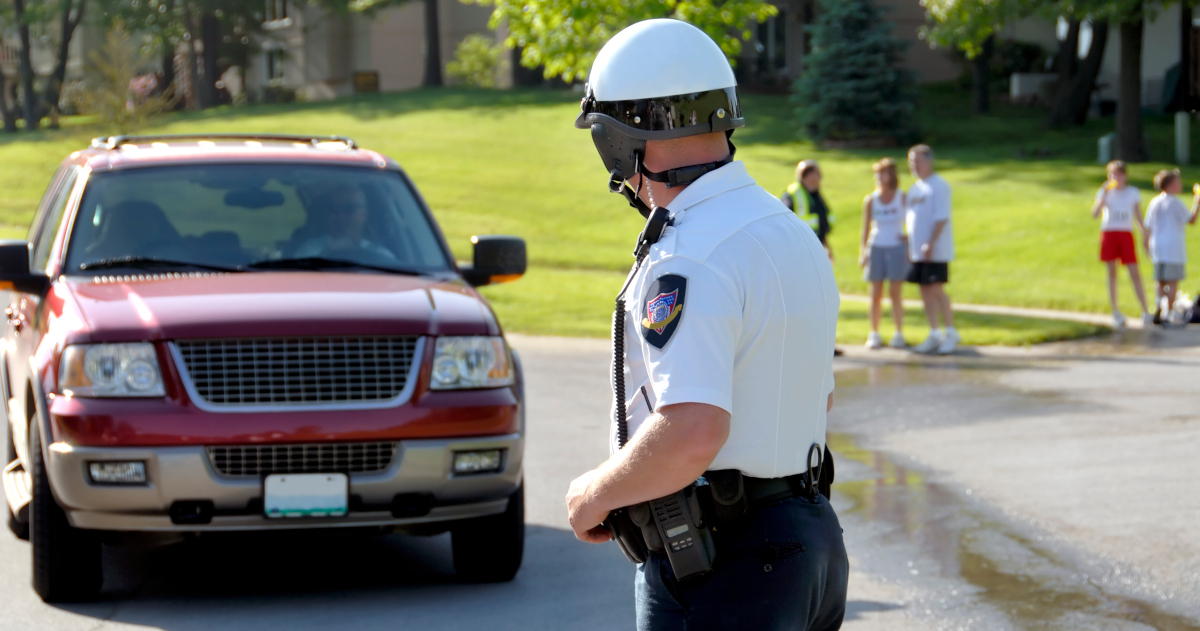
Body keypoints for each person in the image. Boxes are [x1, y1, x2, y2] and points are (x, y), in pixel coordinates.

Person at [567, 18, 848, 631]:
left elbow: (693, 430)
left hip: (724, 561)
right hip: (811, 546)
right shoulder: (786, 230)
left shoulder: (688, 255)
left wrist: (595, 495)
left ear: (619, 137)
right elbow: (813, 391)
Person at [905, 145, 959, 354]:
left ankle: (951, 331)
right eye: (911, 162)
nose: (914, 166)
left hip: (935, 249)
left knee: (936, 288)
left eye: (918, 161)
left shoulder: (939, 186)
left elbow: (941, 217)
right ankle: (934, 332)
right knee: (924, 289)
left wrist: (930, 242)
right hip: (918, 250)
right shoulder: (915, 189)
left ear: (929, 161)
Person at [1091, 160, 1151, 329]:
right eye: (1111, 174)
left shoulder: (1133, 192)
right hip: (1109, 232)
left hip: (1125, 233)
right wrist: (1102, 194)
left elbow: (1138, 216)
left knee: (1134, 271)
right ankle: (1115, 311)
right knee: (1112, 273)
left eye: (1117, 174)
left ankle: (1145, 310)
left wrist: (1144, 234)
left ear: (1125, 176)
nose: (1114, 177)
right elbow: (1095, 214)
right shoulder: (1105, 193)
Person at [859, 158, 910, 349]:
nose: (879, 177)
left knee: (895, 292)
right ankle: (874, 333)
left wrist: (909, 240)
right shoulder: (871, 200)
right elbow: (865, 229)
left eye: (882, 173)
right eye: (877, 173)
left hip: (896, 247)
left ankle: (898, 333)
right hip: (876, 246)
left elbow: (911, 222)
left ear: (891, 176)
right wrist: (863, 252)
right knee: (875, 293)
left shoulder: (901, 197)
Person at [1142, 169, 1200, 324]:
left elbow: (1147, 225)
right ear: (1171, 185)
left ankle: (1158, 306)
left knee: (1160, 281)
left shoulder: (1154, 202)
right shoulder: (1176, 203)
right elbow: (1191, 220)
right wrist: (1197, 203)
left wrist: (1146, 244)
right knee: (1173, 281)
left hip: (1158, 246)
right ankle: (1169, 311)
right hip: (1173, 247)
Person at [294, 183, 396, 261]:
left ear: (364, 215)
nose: (340, 217)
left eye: (349, 210)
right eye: (333, 210)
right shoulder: (310, 250)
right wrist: (326, 254)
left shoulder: (381, 256)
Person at [782, 160, 834, 261]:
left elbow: (821, 223)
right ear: (809, 175)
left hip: (815, 249)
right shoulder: (792, 195)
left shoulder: (815, 195)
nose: (820, 177)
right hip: (799, 252)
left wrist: (828, 248)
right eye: (817, 173)